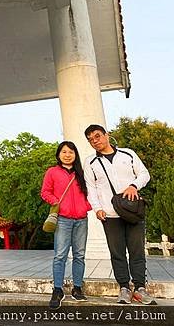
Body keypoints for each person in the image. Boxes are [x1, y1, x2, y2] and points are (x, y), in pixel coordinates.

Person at [83, 124, 156, 305]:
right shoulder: (90, 162)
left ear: (107, 135)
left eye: (97, 136)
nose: (95, 141)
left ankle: (140, 288)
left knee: (137, 251)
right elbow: (91, 188)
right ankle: (124, 287)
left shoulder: (128, 154)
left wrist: (134, 186)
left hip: (133, 212)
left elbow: (144, 174)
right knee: (117, 253)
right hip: (109, 214)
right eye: (91, 139)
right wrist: (96, 208)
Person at [41, 141, 92, 309]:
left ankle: (77, 288)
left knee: (79, 255)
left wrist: (86, 207)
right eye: (64, 152)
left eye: (71, 151)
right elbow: (45, 192)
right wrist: (56, 202)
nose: (67, 154)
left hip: (81, 219)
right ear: (58, 154)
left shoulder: (82, 173)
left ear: (75, 154)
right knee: (60, 256)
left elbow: (91, 192)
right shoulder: (52, 172)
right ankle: (57, 290)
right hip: (62, 219)